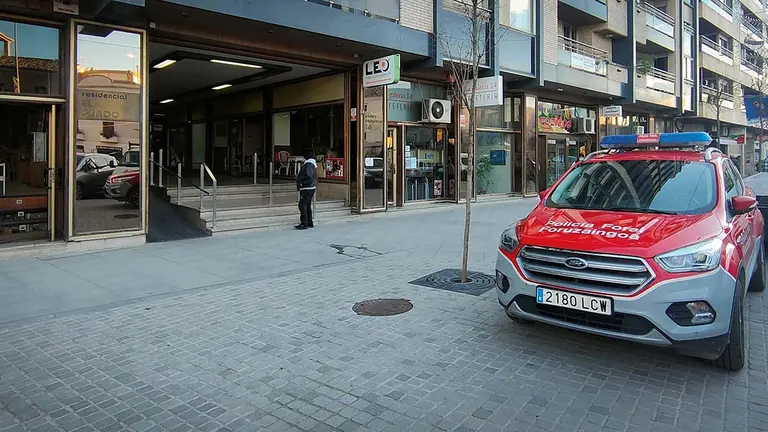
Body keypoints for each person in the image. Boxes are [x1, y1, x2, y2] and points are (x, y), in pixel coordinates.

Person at [295, 151, 317, 230]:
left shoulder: (308, 165)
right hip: (311, 188)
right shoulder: (312, 164)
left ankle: (304, 223)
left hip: (307, 188)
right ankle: (309, 222)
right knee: (307, 205)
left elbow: (308, 176)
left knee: (302, 205)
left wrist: (302, 183)